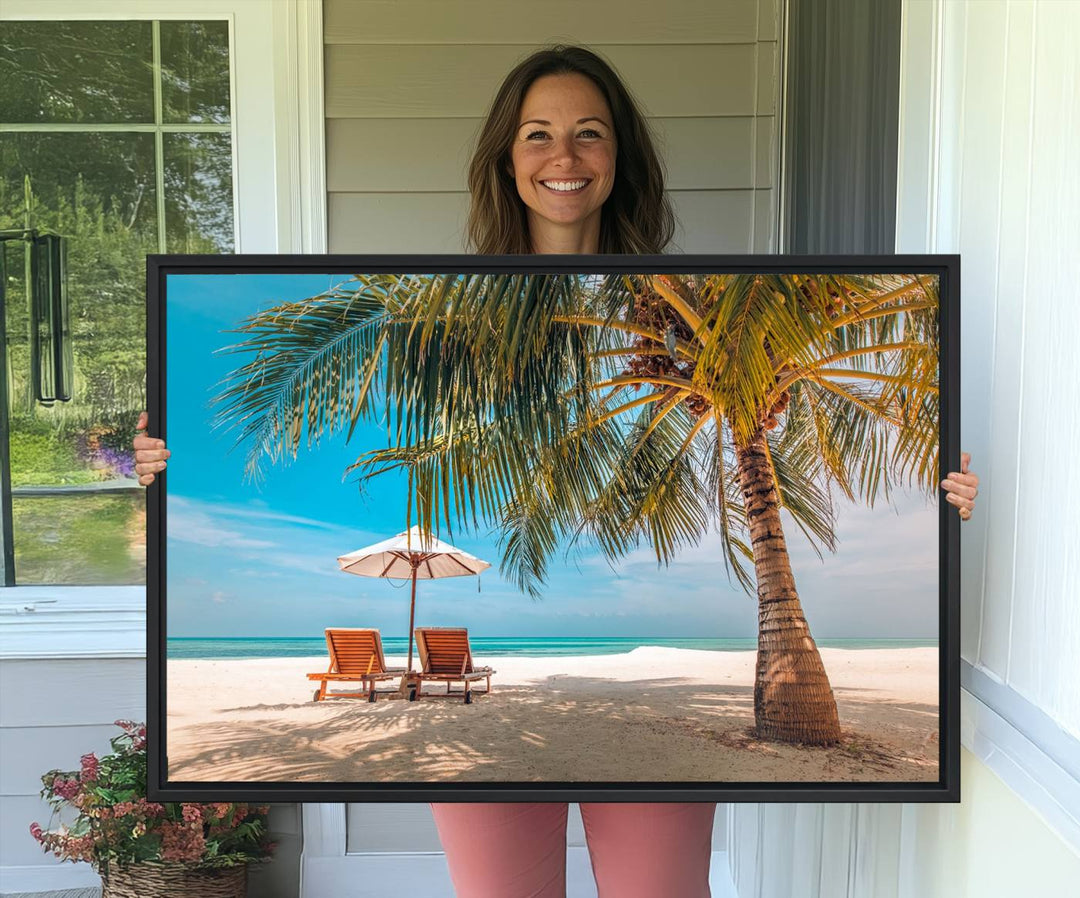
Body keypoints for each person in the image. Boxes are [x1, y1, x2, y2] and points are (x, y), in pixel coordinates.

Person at [133, 45, 980, 898]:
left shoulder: (702, 301)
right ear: (507, 157)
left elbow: (761, 399)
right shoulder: (446, 313)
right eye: (538, 134)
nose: (564, 158)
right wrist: (165, 467)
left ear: (620, 158)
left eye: (589, 134)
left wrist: (943, 497)